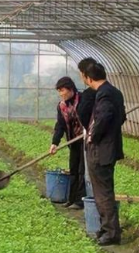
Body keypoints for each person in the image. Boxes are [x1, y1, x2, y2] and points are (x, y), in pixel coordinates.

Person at [83, 62, 126, 246]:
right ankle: (107, 227)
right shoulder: (115, 92)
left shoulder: (104, 93)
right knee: (103, 191)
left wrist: (93, 136)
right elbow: (121, 117)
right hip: (108, 147)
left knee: (103, 193)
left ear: (88, 78)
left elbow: (105, 116)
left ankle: (111, 233)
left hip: (101, 150)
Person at [49, 76, 94, 209]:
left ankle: (80, 201)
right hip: (73, 141)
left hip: (85, 140)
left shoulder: (83, 99)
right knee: (73, 169)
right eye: (59, 91)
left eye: (62, 90)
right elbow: (60, 125)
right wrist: (54, 143)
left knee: (82, 170)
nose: (60, 94)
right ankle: (71, 199)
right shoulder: (61, 106)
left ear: (70, 89)